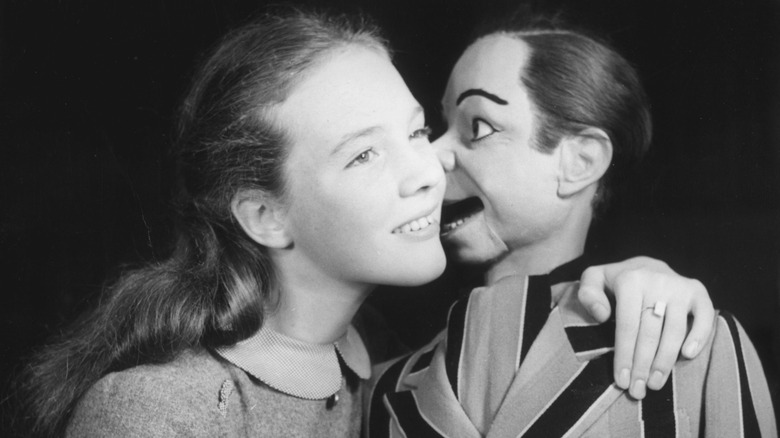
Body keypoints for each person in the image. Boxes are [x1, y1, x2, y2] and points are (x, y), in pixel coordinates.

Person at [13, 8, 713, 438]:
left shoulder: (390, 364)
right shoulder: (158, 413)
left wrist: (639, 277)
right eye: (364, 154)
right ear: (265, 215)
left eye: (415, 131)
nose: (430, 169)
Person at [367, 13, 777, 438]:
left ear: (581, 162)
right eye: (438, 128)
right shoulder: (383, 385)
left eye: (478, 127)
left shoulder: (696, 348)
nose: (431, 156)